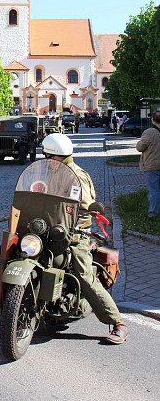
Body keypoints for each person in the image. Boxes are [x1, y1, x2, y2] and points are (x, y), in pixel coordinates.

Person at [41, 133, 128, 344]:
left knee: (83, 272)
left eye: (47, 156)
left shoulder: (76, 176)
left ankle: (117, 322)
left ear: (56, 156)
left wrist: (73, 226)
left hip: (74, 232)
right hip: (49, 228)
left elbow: (86, 208)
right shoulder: (51, 171)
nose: (45, 160)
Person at [136, 111, 160, 218]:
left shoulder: (149, 132)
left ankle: (153, 214)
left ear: (153, 120)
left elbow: (140, 147)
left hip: (151, 165)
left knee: (153, 191)